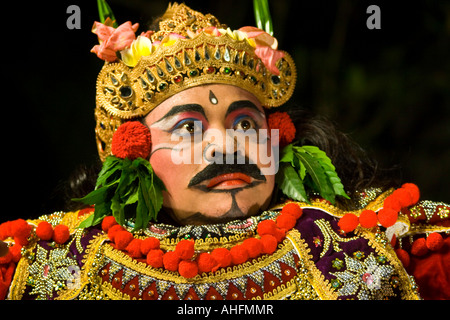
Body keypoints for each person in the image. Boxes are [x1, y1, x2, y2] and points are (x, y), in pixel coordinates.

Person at [0, 3, 448, 301]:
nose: (227, 144)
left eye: (245, 124)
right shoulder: (46, 260)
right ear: (130, 152)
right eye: (188, 127)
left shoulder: (379, 239)